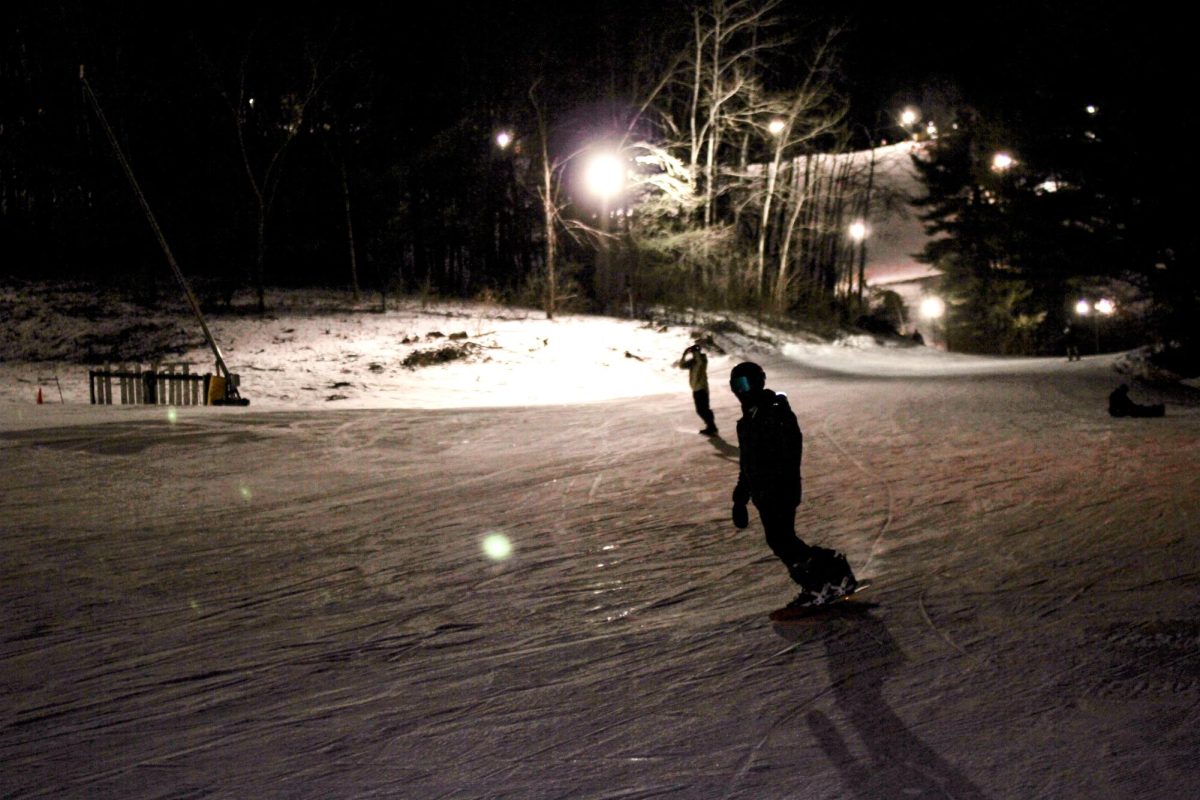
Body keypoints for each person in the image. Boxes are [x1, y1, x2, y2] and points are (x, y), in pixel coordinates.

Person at [728, 361, 857, 605]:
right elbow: (747, 463)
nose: (740, 391)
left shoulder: (775, 411)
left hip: (780, 489)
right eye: (735, 386)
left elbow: (790, 452)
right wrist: (740, 497)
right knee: (781, 541)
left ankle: (820, 581)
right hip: (763, 493)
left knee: (782, 540)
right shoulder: (746, 421)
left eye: (744, 384)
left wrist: (777, 483)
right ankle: (831, 575)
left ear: (757, 382)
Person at [679, 343, 718, 435]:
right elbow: (681, 366)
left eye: (694, 351)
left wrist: (696, 351)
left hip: (702, 388)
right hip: (696, 389)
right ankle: (711, 427)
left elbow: (699, 362)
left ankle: (711, 427)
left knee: (703, 409)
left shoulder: (702, 360)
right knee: (700, 410)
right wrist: (684, 354)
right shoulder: (693, 362)